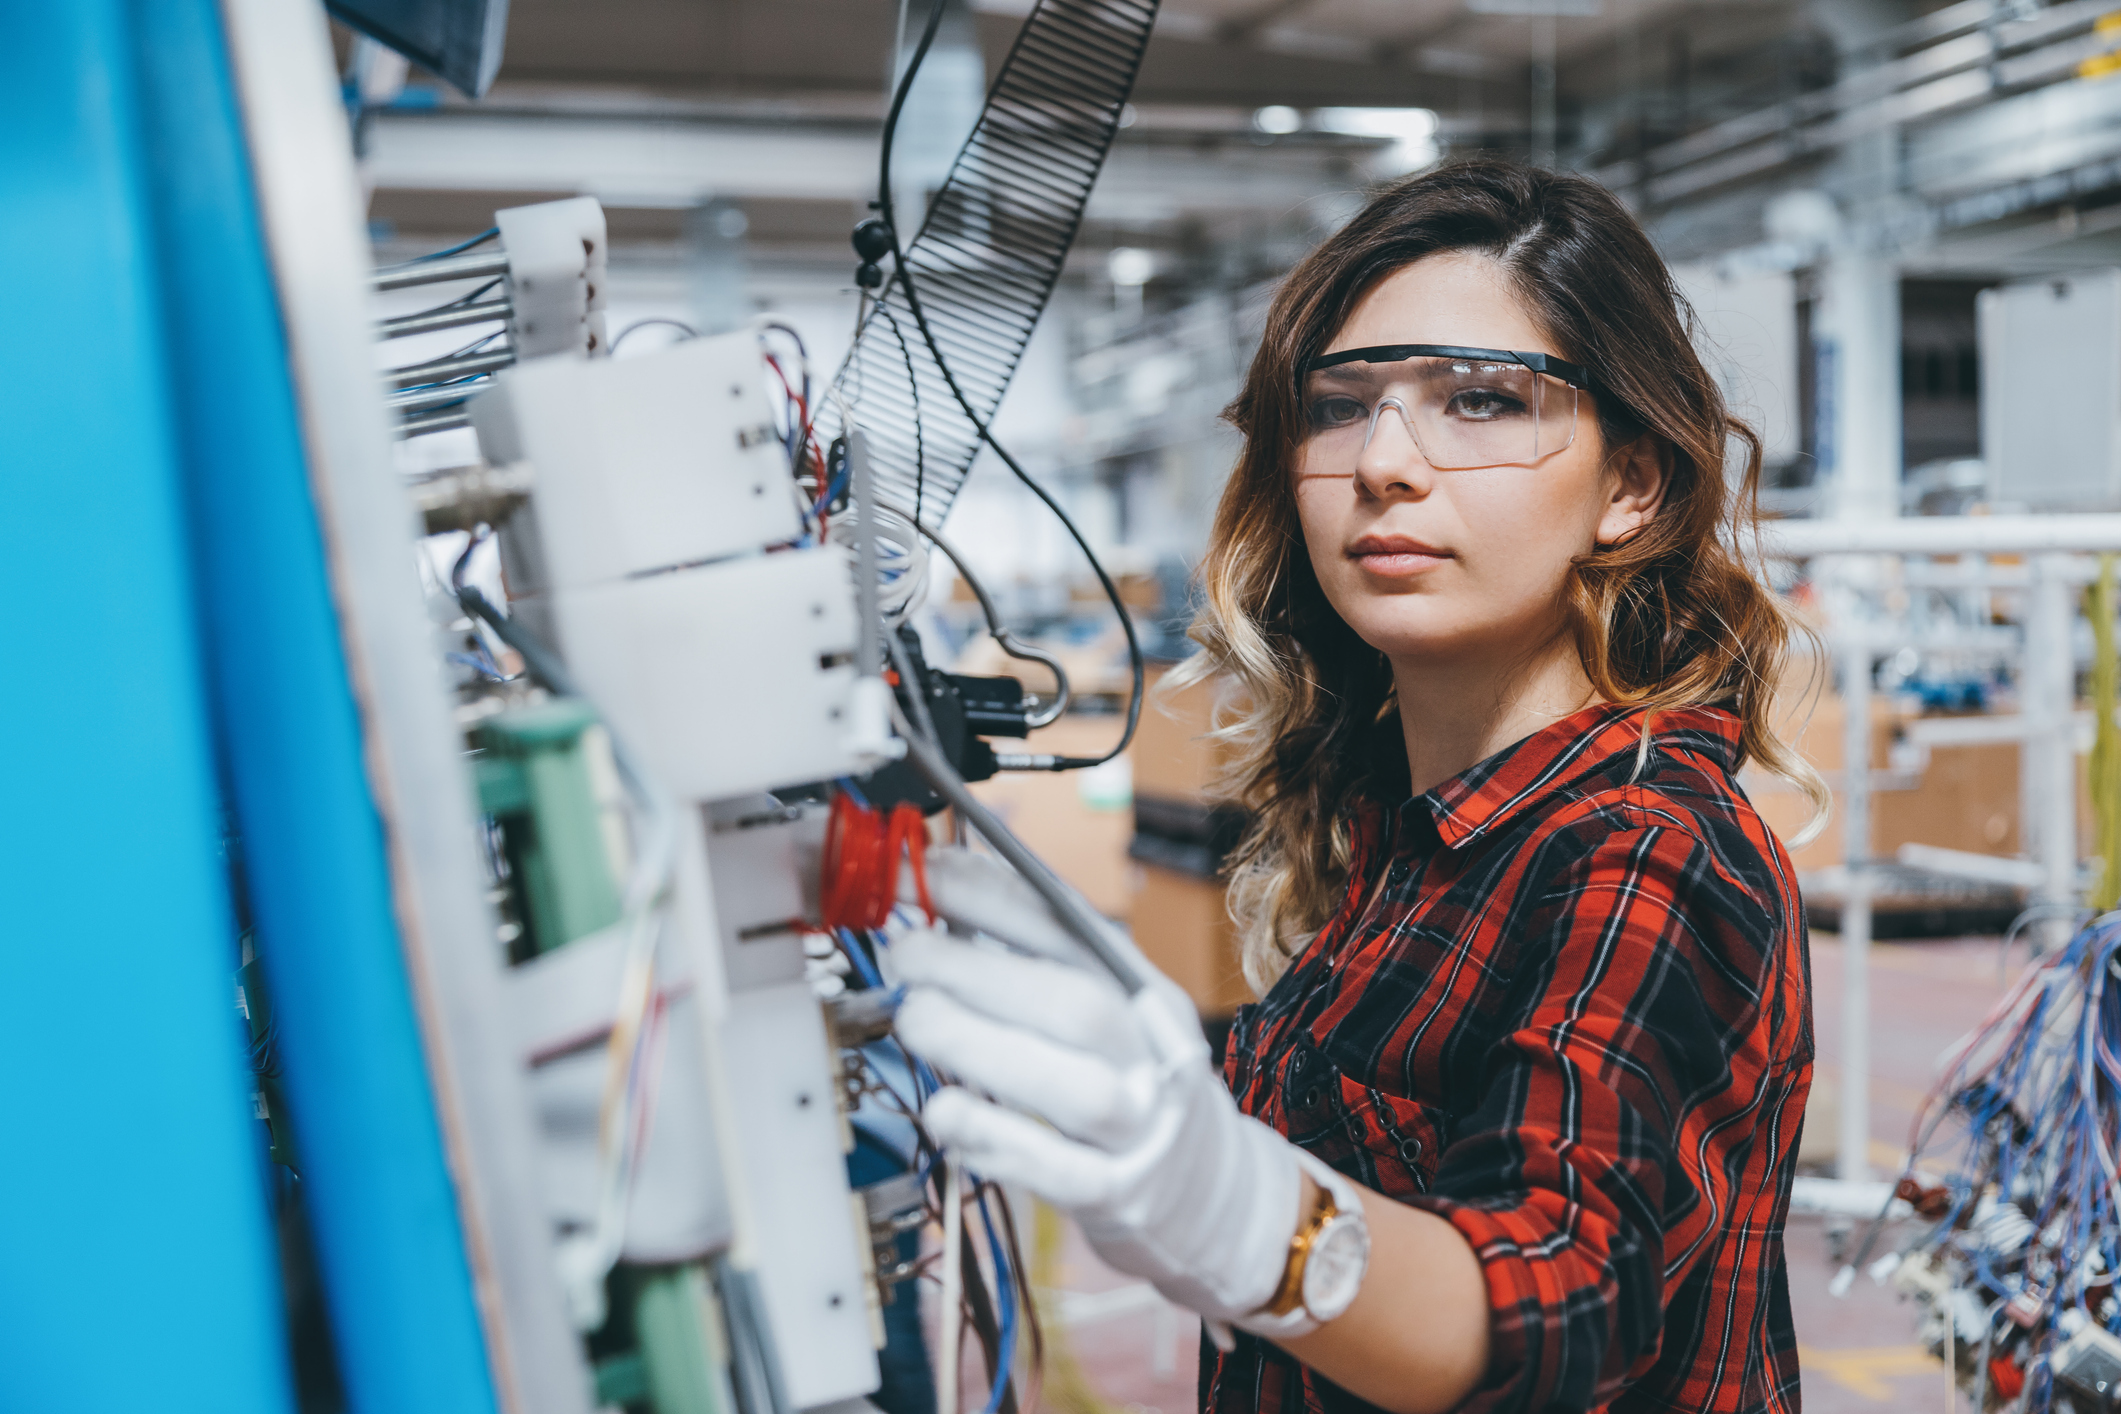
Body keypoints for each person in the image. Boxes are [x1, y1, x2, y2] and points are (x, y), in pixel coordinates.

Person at [893, 159, 1825, 1414]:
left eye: (1482, 402)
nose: (1384, 461)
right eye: (1339, 406)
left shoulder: (1644, 846)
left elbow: (1557, 1297)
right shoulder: (1418, 828)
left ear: (1630, 485)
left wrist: (1236, 1211)